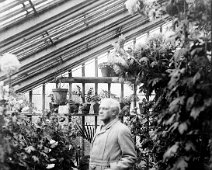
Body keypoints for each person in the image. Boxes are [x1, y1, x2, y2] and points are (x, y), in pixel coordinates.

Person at [89, 98, 137, 170]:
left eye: (105, 109)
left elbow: (130, 157)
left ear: (114, 112)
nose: (100, 111)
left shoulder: (121, 129)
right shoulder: (99, 129)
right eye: (100, 108)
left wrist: (113, 169)